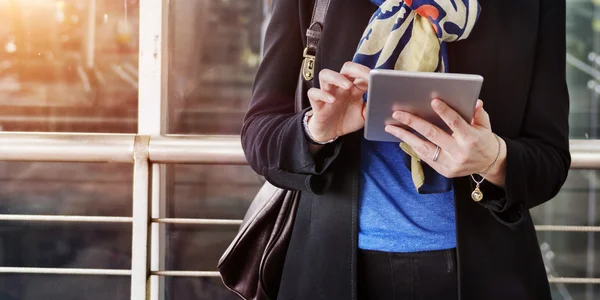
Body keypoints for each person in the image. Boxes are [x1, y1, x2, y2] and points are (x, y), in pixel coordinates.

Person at [241, 0, 571, 299]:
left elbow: (550, 159)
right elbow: (259, 134)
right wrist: (316, 131)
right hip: (330, 267)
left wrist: (493, 161)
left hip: (489, 272)